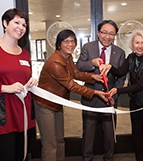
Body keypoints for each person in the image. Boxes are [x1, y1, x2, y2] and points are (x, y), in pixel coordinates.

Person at [34, 29, 108, 161]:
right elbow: (71, 85)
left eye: (72, 41)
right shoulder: (55, 62)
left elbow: (77, 74)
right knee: (50, 144)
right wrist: (95, 92)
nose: (70, 44)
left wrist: (93, 77)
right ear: (59, 44)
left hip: (57, 103)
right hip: (45, 105)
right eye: (66, 41)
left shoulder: (68, 58)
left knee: (59, 140)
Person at [100, 29, 143, 161]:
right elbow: (120, 72)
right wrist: (110, 66)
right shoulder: (131, 57)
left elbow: (140, 85)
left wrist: (117, 90)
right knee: (136, 135)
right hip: (135, 102)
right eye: (137, 42)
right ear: (132, 45)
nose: (140, 46)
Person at [0, 8, 38, 161]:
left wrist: (32, 82)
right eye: (16, 22)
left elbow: (25, 77)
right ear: (5, 23)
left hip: (24, 116)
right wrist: (5, 88)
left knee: (22, 156)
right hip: (2, 116)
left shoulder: (25, 53)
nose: (21, 27)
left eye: (24, 25)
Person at [76, 20, 126, 161]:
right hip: (91, 97)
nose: (107, 36)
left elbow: (121, 76)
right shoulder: (88, 47)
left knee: (109, 133)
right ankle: (87, 158)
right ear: (98, 33)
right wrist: (92, 65)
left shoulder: (120, 53)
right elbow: (78, 66)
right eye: (104, 32)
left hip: (109, 99)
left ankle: (108, 158)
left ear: (115, 35)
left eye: (111, 33)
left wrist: (115, 93)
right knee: (89, 132)